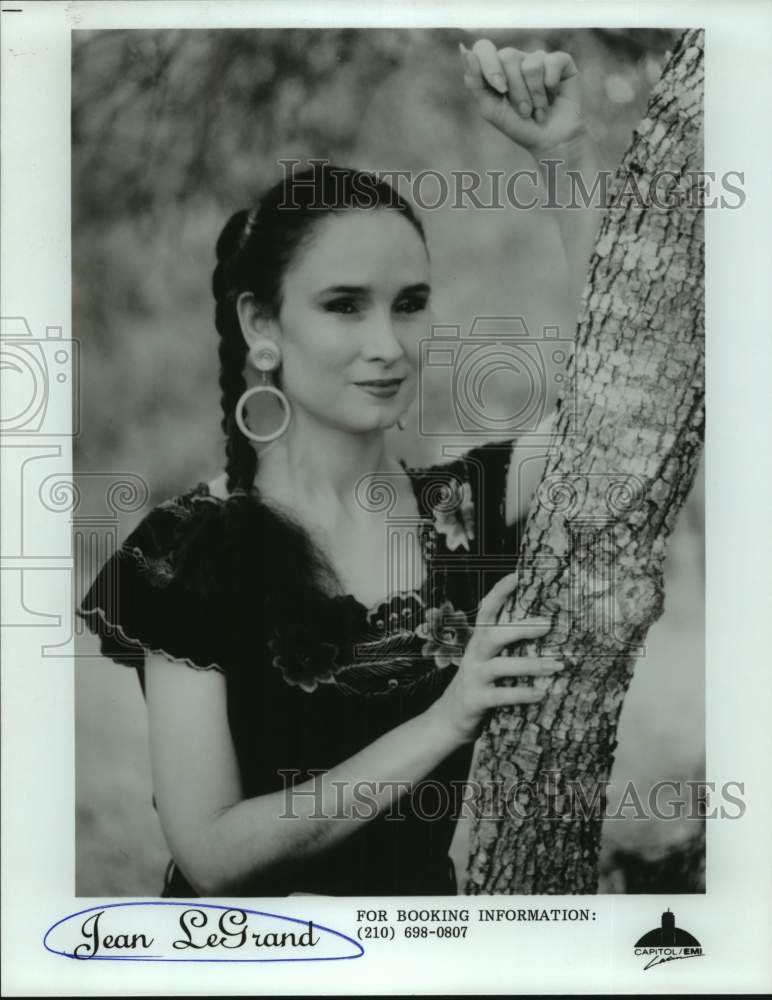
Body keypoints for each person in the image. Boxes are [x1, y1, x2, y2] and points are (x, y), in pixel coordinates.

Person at [78, 39, 599, 897]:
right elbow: (210, 850)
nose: (387, 345)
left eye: (410, 304)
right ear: (262, 324)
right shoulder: (185, 553)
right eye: (344, 306)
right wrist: (447, 719)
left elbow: (632, 384)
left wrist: (564, 157)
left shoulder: (469, 508)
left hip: (425, 958)